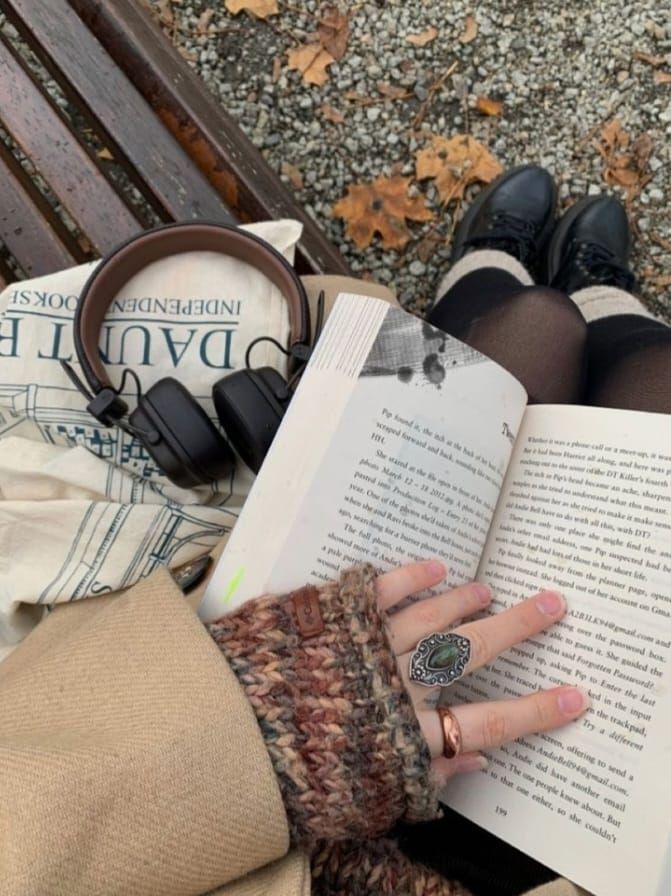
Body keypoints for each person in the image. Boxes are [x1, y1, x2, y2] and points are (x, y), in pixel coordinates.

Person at [0, 165, 667, 896]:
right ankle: (599, 294)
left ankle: (490, 266)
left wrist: (257, 736)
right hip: (511, 852)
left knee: (535, 325)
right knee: (637, 375)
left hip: (191, 803)